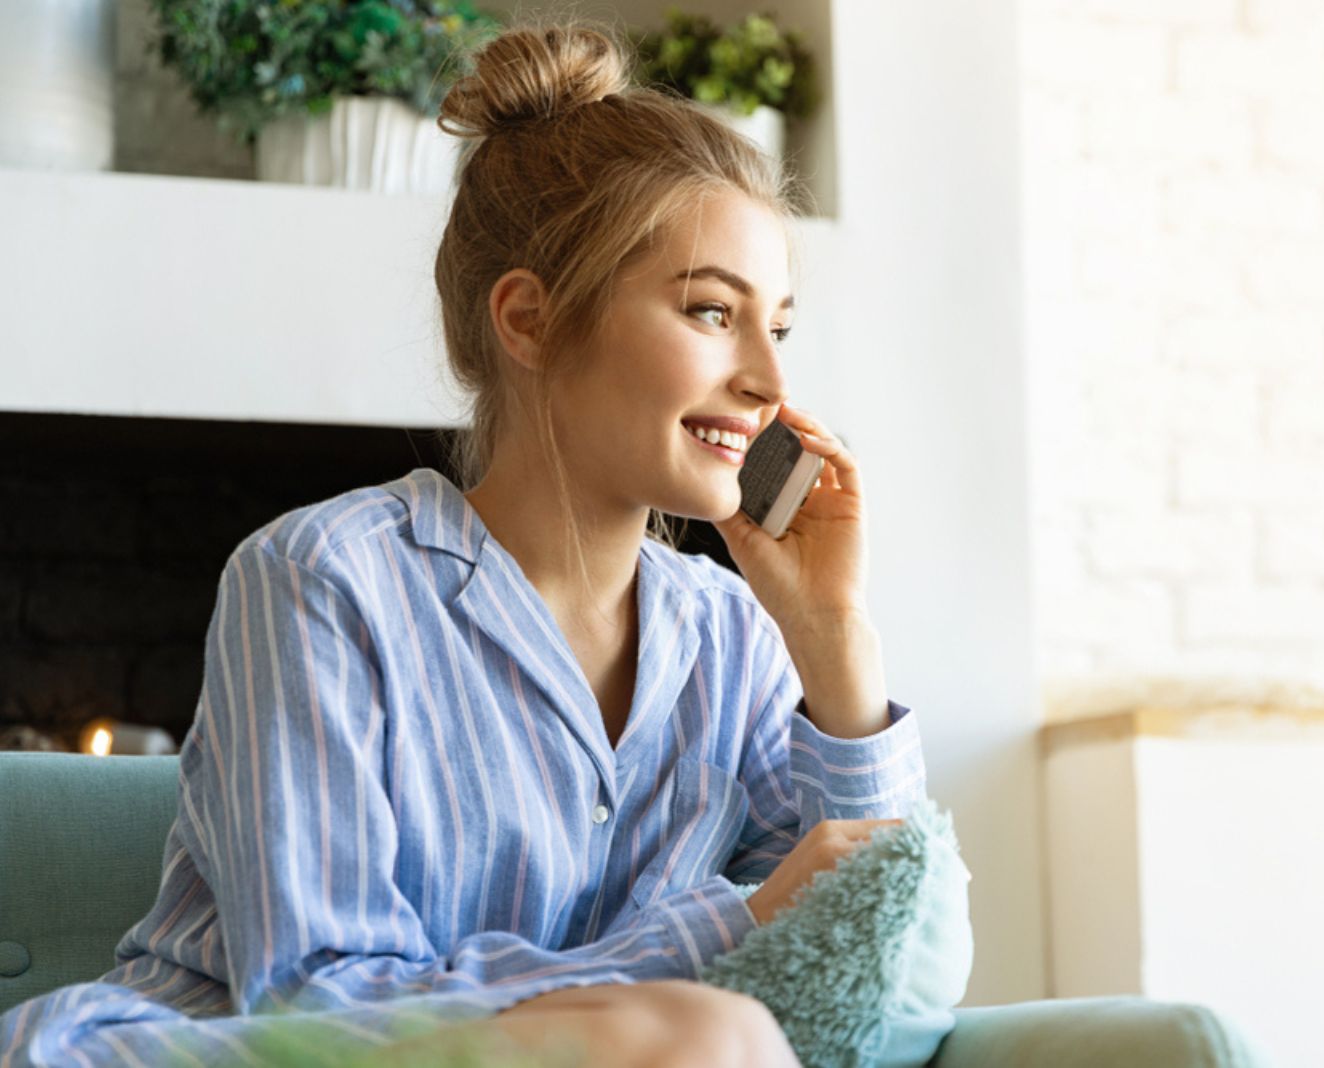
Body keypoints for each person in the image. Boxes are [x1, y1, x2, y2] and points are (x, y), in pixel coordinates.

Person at [0, 16, 927, 1068]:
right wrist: (727, 931)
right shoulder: (321, 581)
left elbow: (867, 988)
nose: (769, 378)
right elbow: (317, 993)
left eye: (781, 327)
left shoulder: (732, 642)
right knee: (712, 1033)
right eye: (713, 313)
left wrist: (833, 636)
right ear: (527, 320)